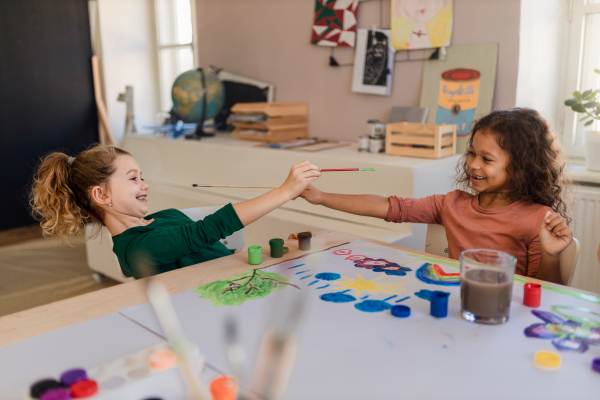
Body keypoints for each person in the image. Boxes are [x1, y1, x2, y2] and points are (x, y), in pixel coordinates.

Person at [300, 108, 573, 284]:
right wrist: (321, 197)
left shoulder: (539, 220)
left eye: (487, 159)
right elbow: (386, 206)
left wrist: (551, 255)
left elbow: (547, 292)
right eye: (471, 153)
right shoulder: (451, 204)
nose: (473, 164)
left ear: (522, 168)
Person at [30, 145, 321, 278]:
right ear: (101, 194)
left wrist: (276, 249)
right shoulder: (137, 249)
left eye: (142, 176)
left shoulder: (169, 215)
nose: (144, 184)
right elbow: (209, 229)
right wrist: (286, 191)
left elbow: (214, 251)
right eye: (133, 178)